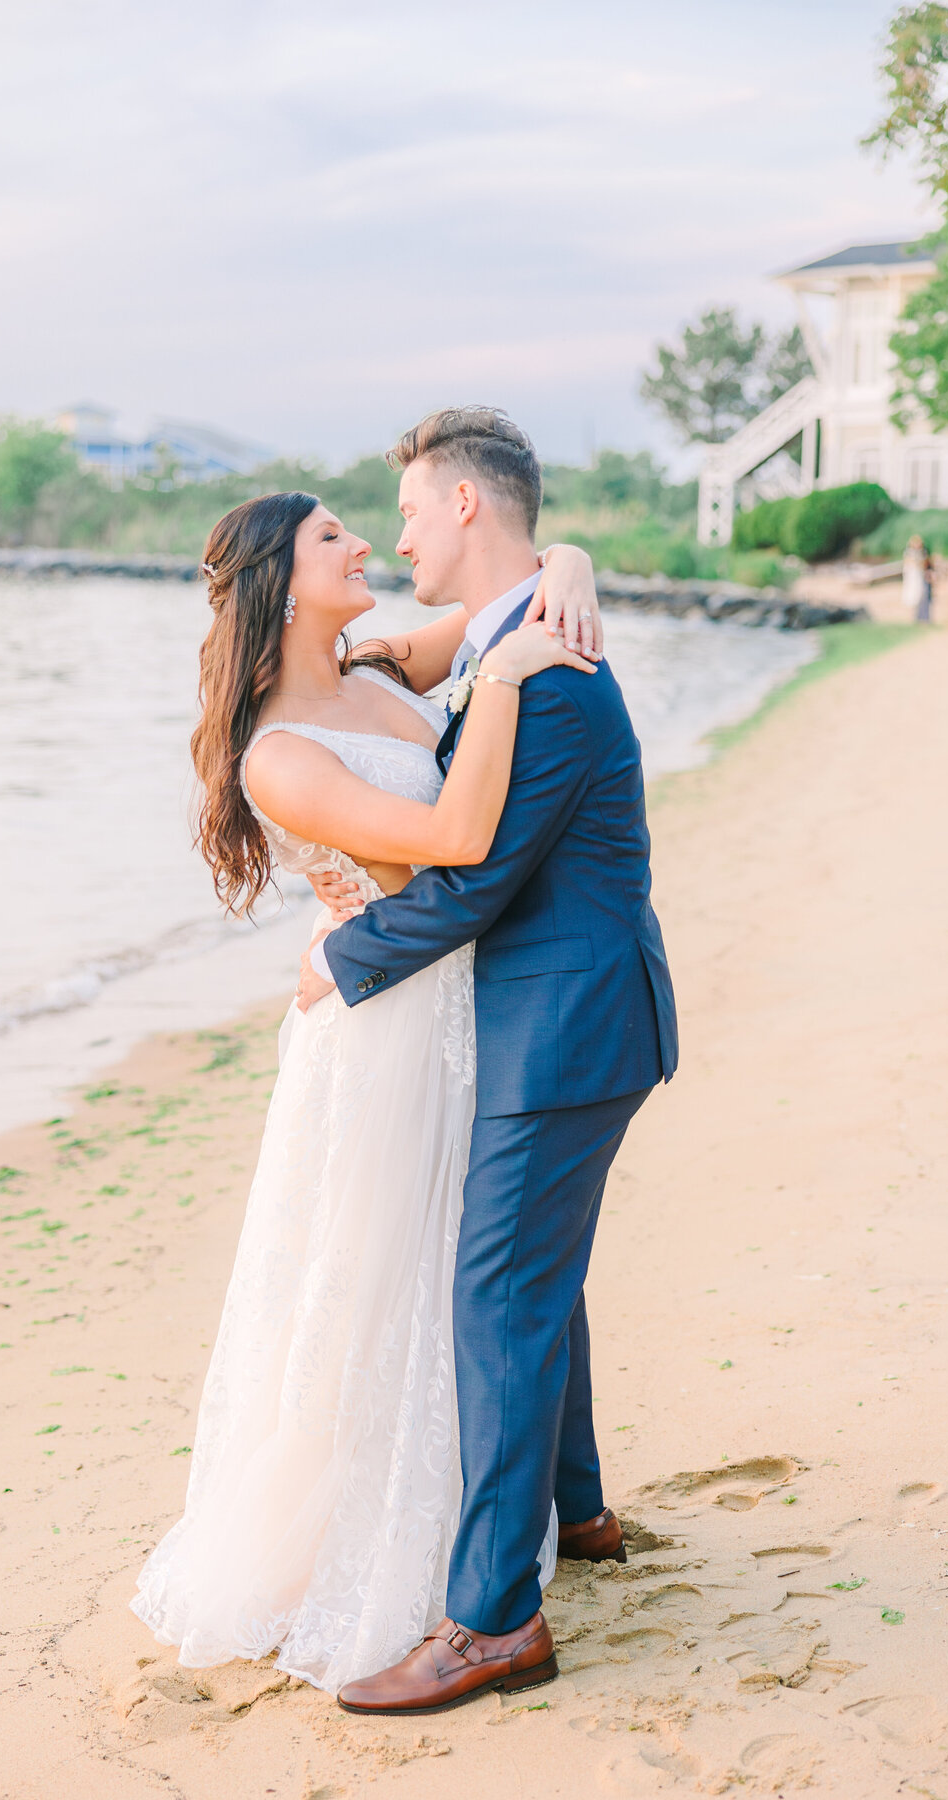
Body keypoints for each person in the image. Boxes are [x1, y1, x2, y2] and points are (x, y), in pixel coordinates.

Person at [130, 471, 603, 1695]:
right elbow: (451, 835)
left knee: (488, 1254)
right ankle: (405, 1538)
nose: (368, 544)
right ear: (285, 587)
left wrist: (578, 565)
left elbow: (518, 589)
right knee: (388, 1272)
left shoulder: (383, 672)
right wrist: (495, 685)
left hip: (466, 1005)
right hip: (383, 1032)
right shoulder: (277, 758)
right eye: (336, 535)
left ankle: (549, 1509)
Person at [297, 407, 677, 1716]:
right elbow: (367, 667)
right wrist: (558, 561)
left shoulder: (549, 671)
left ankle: (493, 1624)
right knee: (532, 1276)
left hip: (564, 1024)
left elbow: (472, 886)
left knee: (498, 1292)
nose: (395, 533)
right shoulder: (513, 633)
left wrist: (338, 965)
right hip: (559, 1015)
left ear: (464, 505)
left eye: (407, 510)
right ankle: (573, 1513)